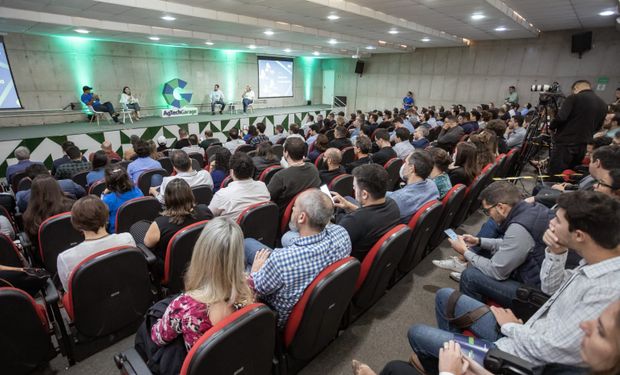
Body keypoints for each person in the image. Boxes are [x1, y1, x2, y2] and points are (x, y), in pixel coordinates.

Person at [407, 190, 620, 372]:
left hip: (517, 355)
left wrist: (511, 327)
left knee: (417, 333)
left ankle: (455, 365)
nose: (551, 222)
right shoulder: (592, 262)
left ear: (580, 236)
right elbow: (551, 289)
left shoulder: (605, 291)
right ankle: (456, 359)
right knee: (446, 297)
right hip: (526, 330)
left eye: (558, 220)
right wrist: (556, 252)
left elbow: (550, 350)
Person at [351, 300, 620, 375]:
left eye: (600, 330)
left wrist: (450, 374)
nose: (584, 325)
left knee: (396, 368)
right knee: (448, 296)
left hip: (510, 349)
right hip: (509, 352)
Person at [243, 189, 351, 327]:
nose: (292, 209)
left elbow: (254, 291)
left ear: (301, 218)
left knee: (246, 246)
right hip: (316, 308)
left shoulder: (280, 260)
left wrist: (255, 271)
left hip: (281, 318)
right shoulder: (342, 234)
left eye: (294, 207)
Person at [150, 217, 254, 352]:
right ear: (238, 255)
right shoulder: (249, 287)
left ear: (200, 253)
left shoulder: (183, 307)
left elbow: (157, 337)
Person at [444, 182, 553, 306]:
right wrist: (479, 241)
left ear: (501, 207)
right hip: (536, 277)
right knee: (484, 253)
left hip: (536, 295)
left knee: (469, 276)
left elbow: (497, 272)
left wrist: (465, 252)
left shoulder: (519, 228)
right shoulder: (533, 209)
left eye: (487, 211)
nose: (488, 215)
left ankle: (479, 320)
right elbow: (511, 244)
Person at [57, 196, 135, 291]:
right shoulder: (127, 239)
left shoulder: (66, 258)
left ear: (76, 224)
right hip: (127, 291)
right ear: (107, 217)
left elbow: (69, 290)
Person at [331, 164, 400, 260]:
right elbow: (370, 215)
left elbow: (331, 247)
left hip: (353, 262)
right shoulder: (392, 204)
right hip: (375, 258)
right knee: (347, 200)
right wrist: (348, 205)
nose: (353, 188)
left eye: (354, 186)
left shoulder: (353, 221)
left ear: (364, 194)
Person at [142, 179, 212, 269]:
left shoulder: (160, 224)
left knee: (138, 228)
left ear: (167, 199)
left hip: (174, 270)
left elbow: (147, 244)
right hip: (204, 260)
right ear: (190, 194)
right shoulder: (205, 210)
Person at [548, 80, 608, 175]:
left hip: (565, 143)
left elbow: (561, 118)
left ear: (576, 88)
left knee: (555, 173)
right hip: (583, 146)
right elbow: (598, 127)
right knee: (571, 174)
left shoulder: (574, 97)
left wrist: (551, 127)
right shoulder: (603, 104)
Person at [208, 152, 270, 221]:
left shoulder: (222, 195)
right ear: (252, 170)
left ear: (231, 172)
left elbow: (209, 216)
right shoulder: (263, 186)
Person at [267, 137, 321, 214]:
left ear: (286, 153)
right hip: (310, 211)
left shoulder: (280, 176)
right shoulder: (313, 168)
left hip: (288, 218)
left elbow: (268, 197)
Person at [386, 150, 439, 223]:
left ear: (411, 168)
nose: (403, 166)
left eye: (406, 163)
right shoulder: (432, 185)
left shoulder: (399, 199)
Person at [22, 175, 75, 242]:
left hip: (48, 251)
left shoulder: (29, 216)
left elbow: (34, 241)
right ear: (57, 187)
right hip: (76, 247)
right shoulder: (73, 206)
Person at [16, 164, 85, 213]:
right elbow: (83, 193)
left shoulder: (22, 196)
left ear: (29, 179)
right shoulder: (69, 183)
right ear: (49, 173)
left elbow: (21, 209)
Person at [101, 166, 143, 233]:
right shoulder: (138, 191)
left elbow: (101, 218)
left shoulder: (108, 200)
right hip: (139, 229)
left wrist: (103, 194)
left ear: (108, 182)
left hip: (117, 234)